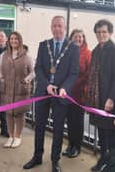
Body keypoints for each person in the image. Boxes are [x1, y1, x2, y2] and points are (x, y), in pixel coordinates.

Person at [23, 16, 79, 172]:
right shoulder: (44, 45)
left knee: (58, 129)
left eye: (60, 26)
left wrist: (64, 88)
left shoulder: (73, 48)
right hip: (43, 92)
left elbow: (74, 72)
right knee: (39, 126)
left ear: (65, 27)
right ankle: (37, 156)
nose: (57, 29)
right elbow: (38, 68)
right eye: (54, 26)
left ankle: (55, 160)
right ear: (51, 27)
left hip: (60, 96)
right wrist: (47, 85)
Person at [87, 19, 115, 171]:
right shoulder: (96, 51)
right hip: (97, 100)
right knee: (101, 133)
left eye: (104, 32)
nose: (101, 34)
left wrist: (111, 98)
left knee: (112, 136)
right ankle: (103, 160)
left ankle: (111, 164)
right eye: (98, 32)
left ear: (110, 33)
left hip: (110, 100)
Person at [0, 31, 34, 148]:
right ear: (9, 40)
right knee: (8, 113)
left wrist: (27, 80)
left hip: (20, 89)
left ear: (20, 40)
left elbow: (33, 72)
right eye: (12, 39)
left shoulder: (26, 55)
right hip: (7, 88)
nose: (14, 41)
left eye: (16, 39)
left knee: (19, 114)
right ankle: (11, 136)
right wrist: (1, 78)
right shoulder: (3, 55)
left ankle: (18, 136)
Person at [62, 29, 91, 158]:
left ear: (83, 39)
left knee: (77, 122)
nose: (78, 39)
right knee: (69, 121)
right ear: (71, 38)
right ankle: (70, 144)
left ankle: (77, 147)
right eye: (76, 37)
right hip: (67, 93)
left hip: (79, 94)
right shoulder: (67, 52)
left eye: (81, 37)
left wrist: (73, 84)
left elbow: (88, 75)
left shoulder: (88, 54)